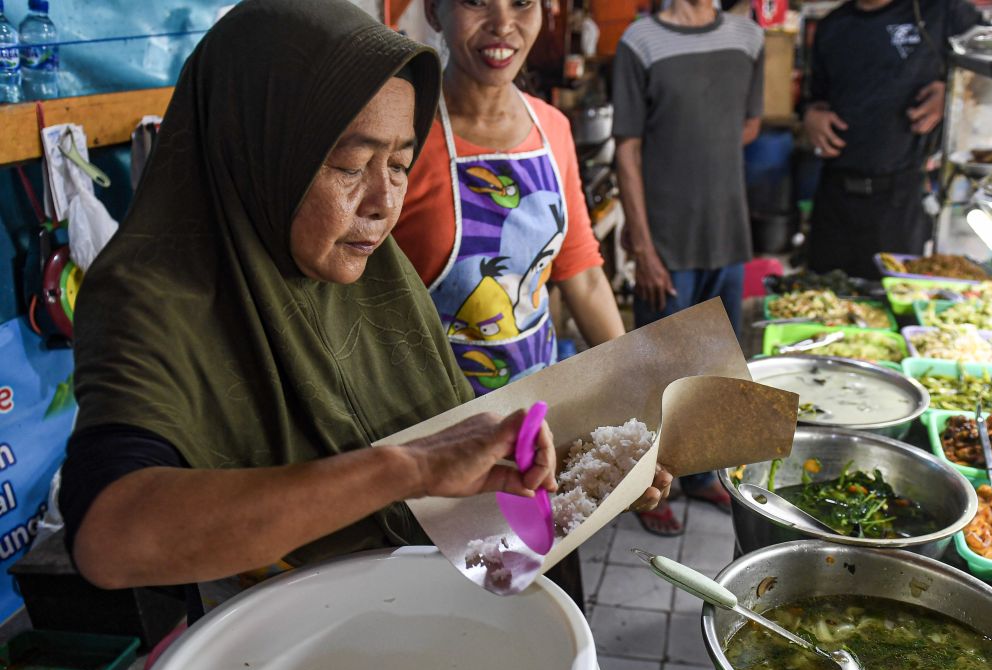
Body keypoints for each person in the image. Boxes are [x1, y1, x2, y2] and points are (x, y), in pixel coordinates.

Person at [58, 0, 668, 611]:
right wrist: (404, 469)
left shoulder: (375, 273)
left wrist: (593, 476)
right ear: (259, 148)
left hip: (423, 605)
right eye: (351, 165)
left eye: (400, 164)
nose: (383, 203)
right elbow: (111, 539)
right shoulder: (150, 299)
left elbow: (462, 462)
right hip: (282, 645)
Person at [393, 0, 625, 398]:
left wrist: (633, 377)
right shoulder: (401, 137)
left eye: (521, 3)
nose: (503, 24)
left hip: (540, 404)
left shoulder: (553, 128)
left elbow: (582, 275)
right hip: (430, 416)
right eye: (477, 3)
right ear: (434, 12)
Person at [612, 0, 763, 535]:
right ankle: (642, 488)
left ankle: (697, 476)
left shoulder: (748, 38)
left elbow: (748, 124)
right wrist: (644, 247)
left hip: (727, 231)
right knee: (658, 372)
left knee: (715, 368)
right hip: (666, 241)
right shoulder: (640, 41)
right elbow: (626, 150)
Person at [805, 0, 984, 278]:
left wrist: (954, 92)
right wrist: (810, 114)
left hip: (901, 197)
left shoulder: (941, 12)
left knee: (895, 299)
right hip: (834, 194)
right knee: (823, 300)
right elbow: (816, 97)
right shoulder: (831, 26)